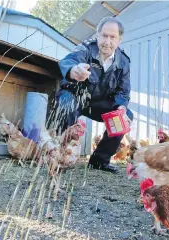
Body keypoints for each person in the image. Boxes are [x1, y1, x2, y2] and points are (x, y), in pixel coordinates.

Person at [56, 17, 133, 173]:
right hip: (75, 96)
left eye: (112, 37)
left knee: (126, 116)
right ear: (98, 35)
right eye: (104, 36)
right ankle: (60, 154)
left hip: (99, 104)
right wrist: (74, 70)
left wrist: (121, 107)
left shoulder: (123, 61)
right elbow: (69, 61)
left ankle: (99, 161)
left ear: (119, 40)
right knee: (67, 103)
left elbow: (123, 91)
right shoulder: (85, 48)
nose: (107, 41)